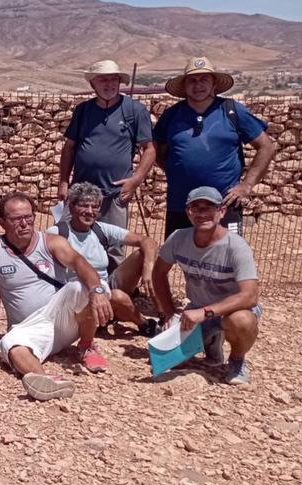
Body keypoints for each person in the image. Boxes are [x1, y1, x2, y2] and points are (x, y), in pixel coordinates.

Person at [0, 192, 114, 401]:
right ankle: (45, 381)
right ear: (2, 222)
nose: (24, 224)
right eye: (16, 219)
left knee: (81, 287)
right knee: (10, 344)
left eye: (29, 217)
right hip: (29, 327)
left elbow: (79, 263)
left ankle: (86, 346)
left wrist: (96, 291)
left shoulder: (51, 242)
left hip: (62, 317)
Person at [154, 57, 277, 239]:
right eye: (192, 80)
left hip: (224, 204)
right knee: (184, 257)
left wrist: (246, 186)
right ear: (185, 85)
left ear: (214, 84)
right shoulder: (171, 115)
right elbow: (156, 151)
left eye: (204, 79)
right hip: (182, 204)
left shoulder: (232, 111)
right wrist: (176, 170)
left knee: (227, 256)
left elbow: (266, 146)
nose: (198, 85)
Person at [151, 186, 262, 385]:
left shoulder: (236, 246)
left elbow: (250, 296)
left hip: (231, 310)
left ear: (221, 212)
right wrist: (169, 312)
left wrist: (206, 312)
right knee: (168, 359)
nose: (202, 214)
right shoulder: (178, 238)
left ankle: (237, 360)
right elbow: (158, 274)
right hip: (197, 309)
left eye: (209, 208)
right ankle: (211, 340)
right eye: (196, 208)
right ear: (188, 213)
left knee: (242, 321)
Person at [56, 60, 155, 232]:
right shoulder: (83, 110)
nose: (109, 85)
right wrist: (63, 182)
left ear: (119, 82)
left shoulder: (135, 110)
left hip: (115, 194)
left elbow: (149, 149)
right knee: (69, 244)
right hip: (80, 193)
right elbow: (69, 147)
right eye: (103, 80)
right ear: (92, 83)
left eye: (113, 80)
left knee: (113, 249)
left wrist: (136, 180)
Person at [51, 182, 159, 337]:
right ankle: (143, 323)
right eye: (84, 206)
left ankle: (110, 315)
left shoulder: (101, 229)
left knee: (141, 255)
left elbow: (148, 241)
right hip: (76, 292)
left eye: (95, 207)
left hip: (105, 284)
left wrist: (147, 269)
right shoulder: (58, 233)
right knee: (118, 297)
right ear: (71, 207)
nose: (90, 211)